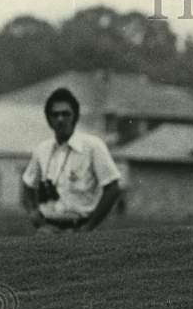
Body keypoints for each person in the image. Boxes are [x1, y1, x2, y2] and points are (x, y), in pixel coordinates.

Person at [22, 87, 123, 233]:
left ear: (75, 117)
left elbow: (113, 188)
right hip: (48, 228)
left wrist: (89, 227)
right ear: (49, 119)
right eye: (55, 115)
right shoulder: (42, 149)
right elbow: (27, 184)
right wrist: (33, 214)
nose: (60, 119)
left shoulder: (93, 146)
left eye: (66, 114)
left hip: (79, 228)